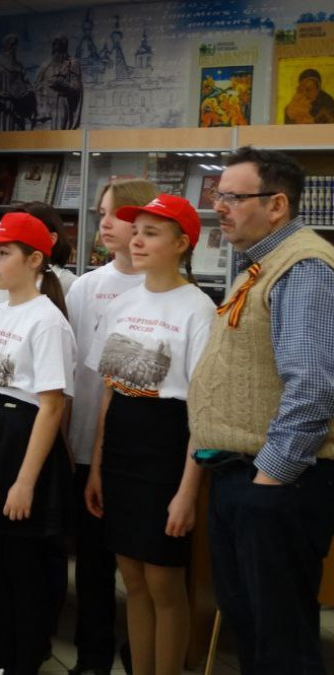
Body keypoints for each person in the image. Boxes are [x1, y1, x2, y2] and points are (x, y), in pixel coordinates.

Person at [188, 147, 334, 673]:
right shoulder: (262, 264)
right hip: (244, 476)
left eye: (232, 197)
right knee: (251, 624)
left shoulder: (304, 267)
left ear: (276, 205)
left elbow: (313, 387)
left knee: (280, 640)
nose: (218, 206)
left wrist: (268, 481)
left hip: (278, 483)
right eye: (218, 195)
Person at [83, 194, 213, 675]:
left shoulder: (199, 309)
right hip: (121, 445)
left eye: (151, 233)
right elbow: (109, 391)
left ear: (182, 244)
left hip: (167, 448)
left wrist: (187, 492)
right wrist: (97, 466)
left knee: (164, 582)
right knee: (133, 581)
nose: (136, 240)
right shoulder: (122, 302)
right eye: (135, 230)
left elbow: (201, 412)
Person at [0, 211, 75, 675]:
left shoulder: (47, 321)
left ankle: (23, 663)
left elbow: (51, 406)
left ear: (35, 259)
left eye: (4, 253)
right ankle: (1, 662)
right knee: (0, 565)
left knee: (25, 570)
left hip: (25, 441)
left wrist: (24, 482)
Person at [61, 178, 156, 675]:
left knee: (141, 563)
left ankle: (143, 652)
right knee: (93, 561)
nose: (105, 224)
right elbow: (72, 366)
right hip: (84, 441)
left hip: (136, 447)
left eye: (114, 214)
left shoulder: (158, 289)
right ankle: (92, 653)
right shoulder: (86, 286)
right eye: (101, 214)